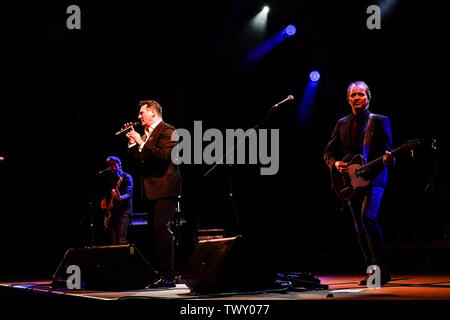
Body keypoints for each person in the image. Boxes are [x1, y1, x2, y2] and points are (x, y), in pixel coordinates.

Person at [323, 81, 394, 286]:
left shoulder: (379, 121)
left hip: (375, 178)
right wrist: (335, 163)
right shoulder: (341, 123)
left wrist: (390, 159)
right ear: (348, 99)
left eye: (360, 95)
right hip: (350, 181)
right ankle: (374, 273)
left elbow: (388, 150)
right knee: (359, 227)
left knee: (368, 217)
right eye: (353, 95)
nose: (356, 98)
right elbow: (327, 152)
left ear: (368, 98)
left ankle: (381, 271)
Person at [124, 100, 181, 288]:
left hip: (165, 187)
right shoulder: (147, 135)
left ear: (153, 113)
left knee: (161, 228)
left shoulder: (167, 130)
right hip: (150, 189)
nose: (139, 116)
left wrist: (142, 142)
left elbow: (165, 157)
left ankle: (169, 275)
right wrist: (134, 144)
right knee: (153, 232)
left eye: (142, 113)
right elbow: (140, 162)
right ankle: (160, 273)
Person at [99, 156, 133, 245]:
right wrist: (104, 198)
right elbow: (106, 191)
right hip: (112, 212)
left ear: (119, 164)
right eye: (109, 165)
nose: (111, 167)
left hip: (123, 212)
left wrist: (120, 197)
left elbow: (129, 193)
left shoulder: (126, 177)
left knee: (121, 240)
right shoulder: (108, 178)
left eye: (114, 164)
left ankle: (126, 258)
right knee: (113, 242)